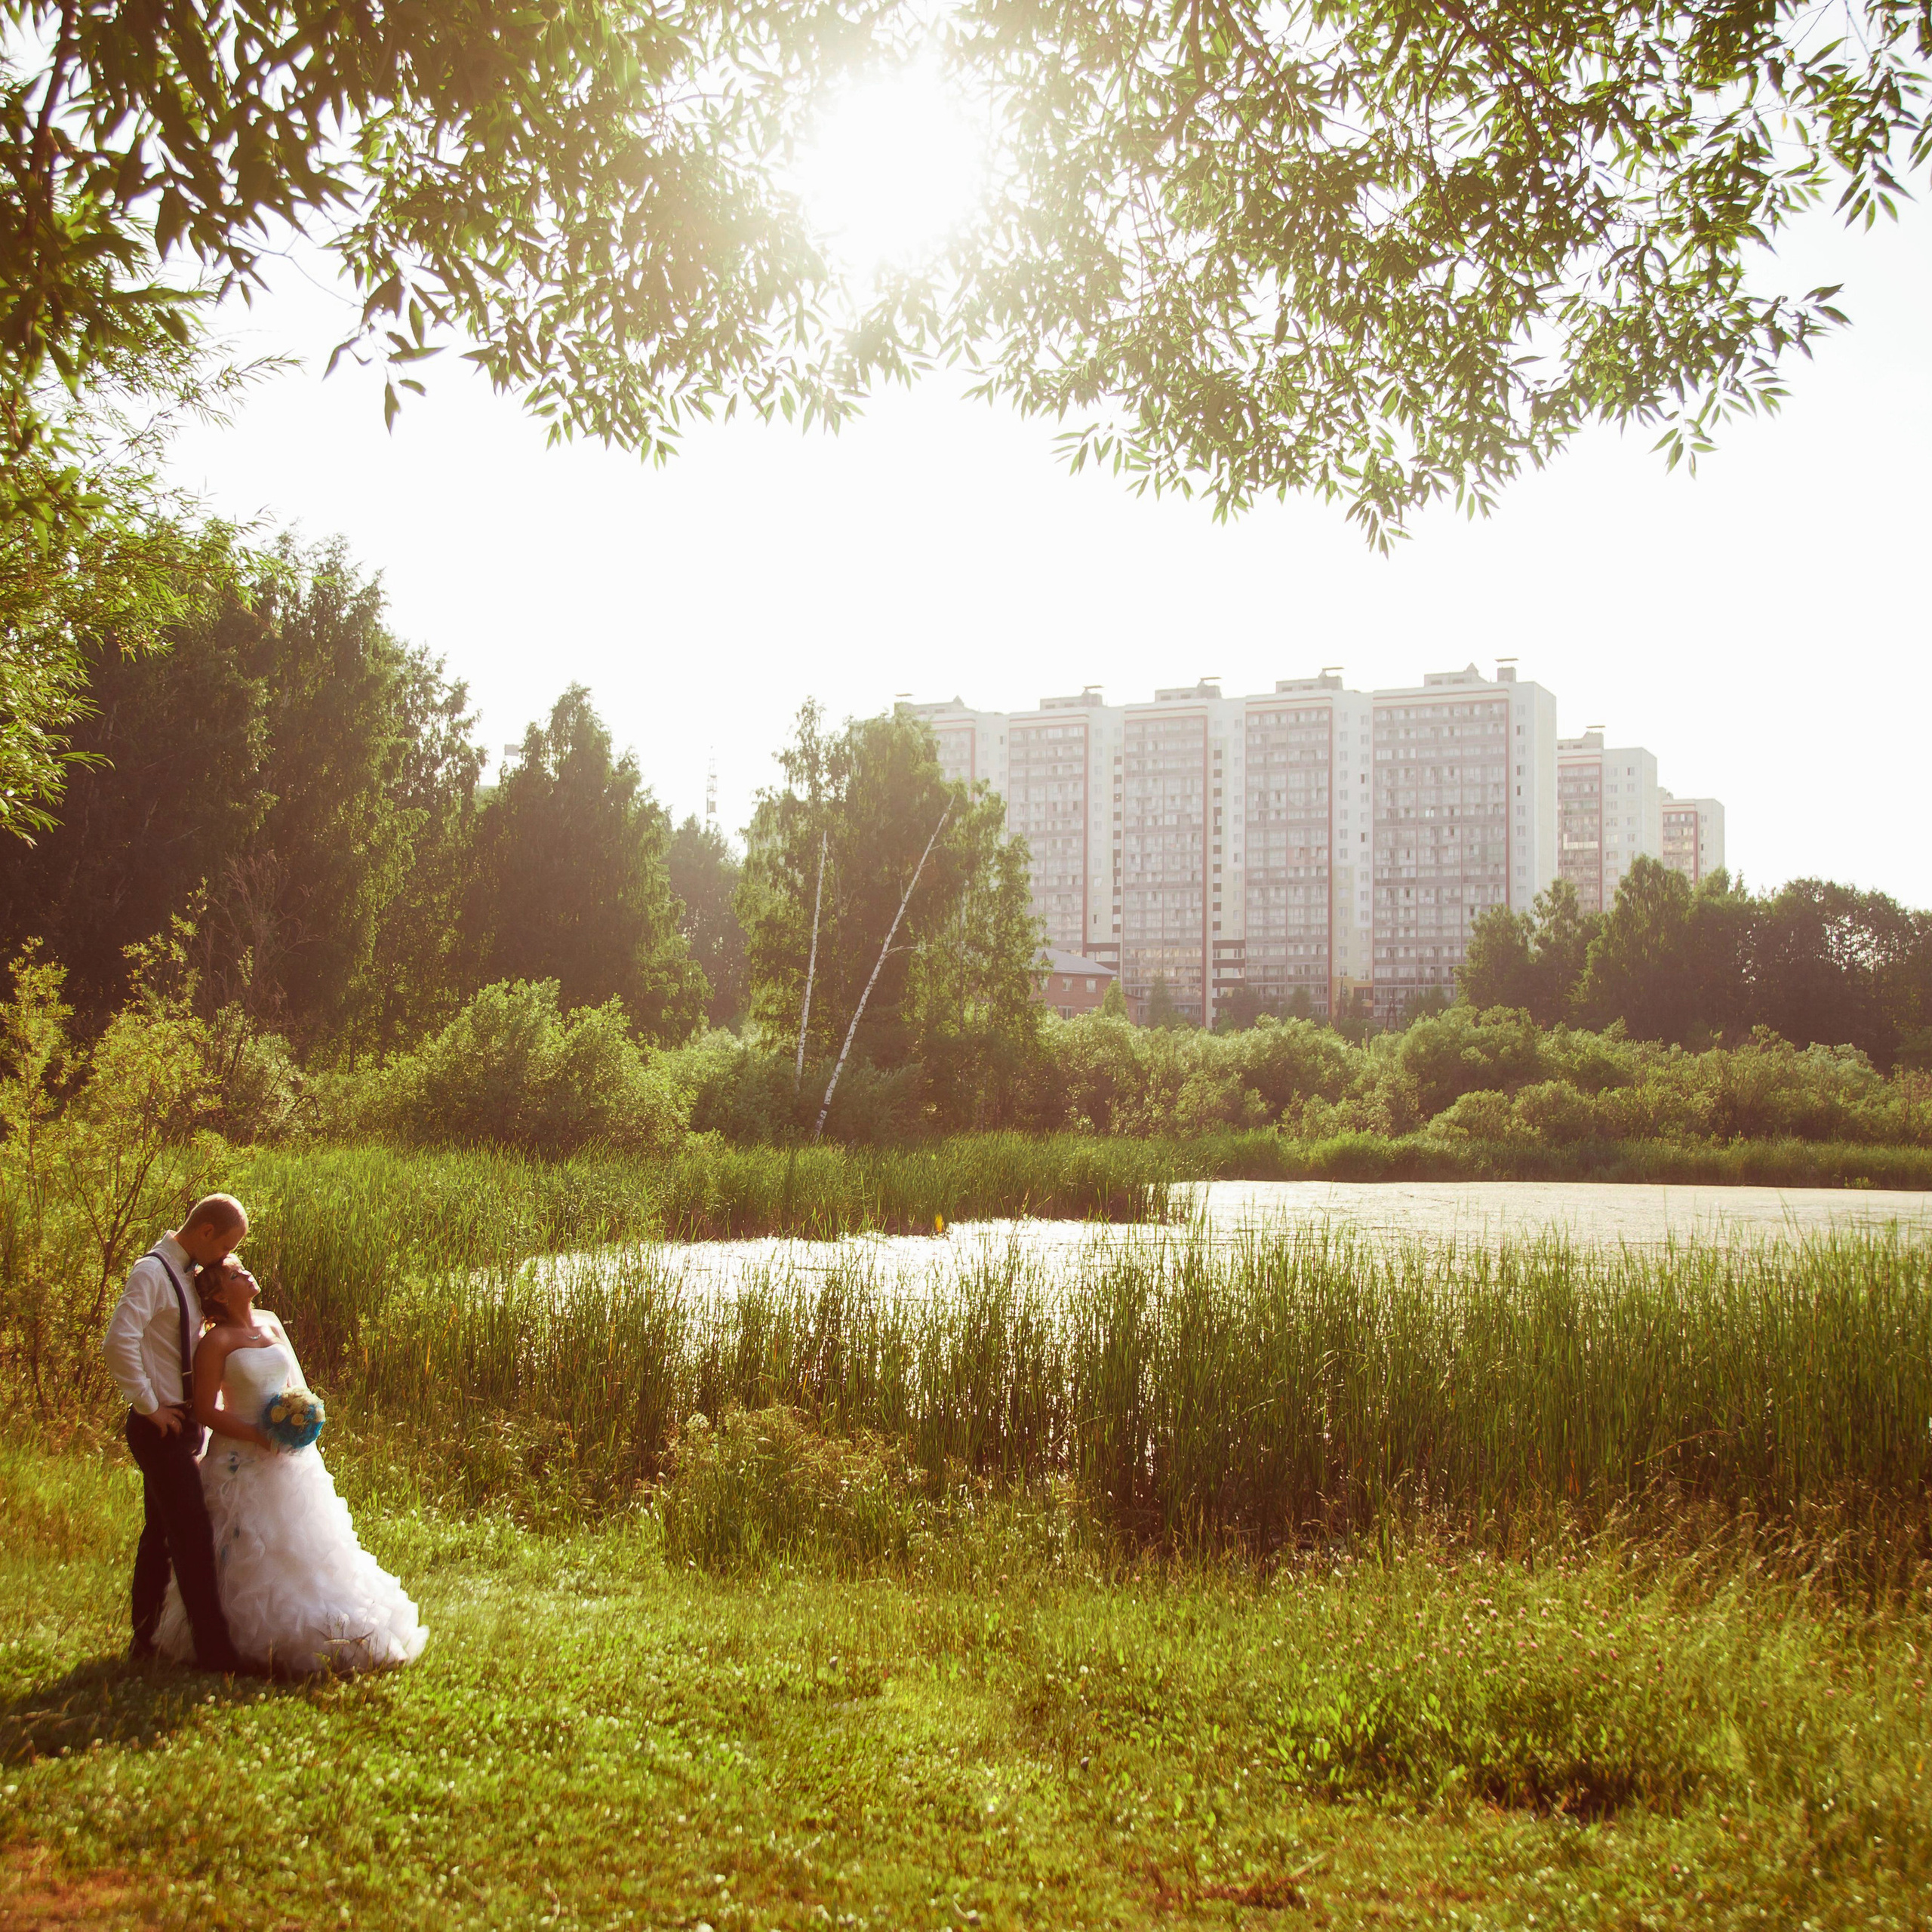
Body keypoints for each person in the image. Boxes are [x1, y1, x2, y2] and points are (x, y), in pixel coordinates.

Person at [152, 1257, 428, 1675]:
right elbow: (207, 1410)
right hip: (240, 1459)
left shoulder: (271, 1323)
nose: (246, 1274)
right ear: (220, 1296)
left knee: (307, 1541)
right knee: (251, 1544)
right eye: (234, 1275)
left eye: (243, 1268)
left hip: (288, 1454)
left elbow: (293, 1386)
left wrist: (301, 1418)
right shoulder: (217, 1342)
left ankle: (337, 1622)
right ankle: (249, 1638)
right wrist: (259, 1436)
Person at [103, 1195, 253, 1673]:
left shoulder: (186, 1274)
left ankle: (144, 1638)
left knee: (161, 1533)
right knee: (190, 1532)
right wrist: (149, 1406)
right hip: (159, 1427)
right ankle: (215, 1653)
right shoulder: (152, 1272)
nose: (225, 1255)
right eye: (227, 1243)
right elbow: (119, 1341)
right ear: (206, 1231)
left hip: (185, 1423)